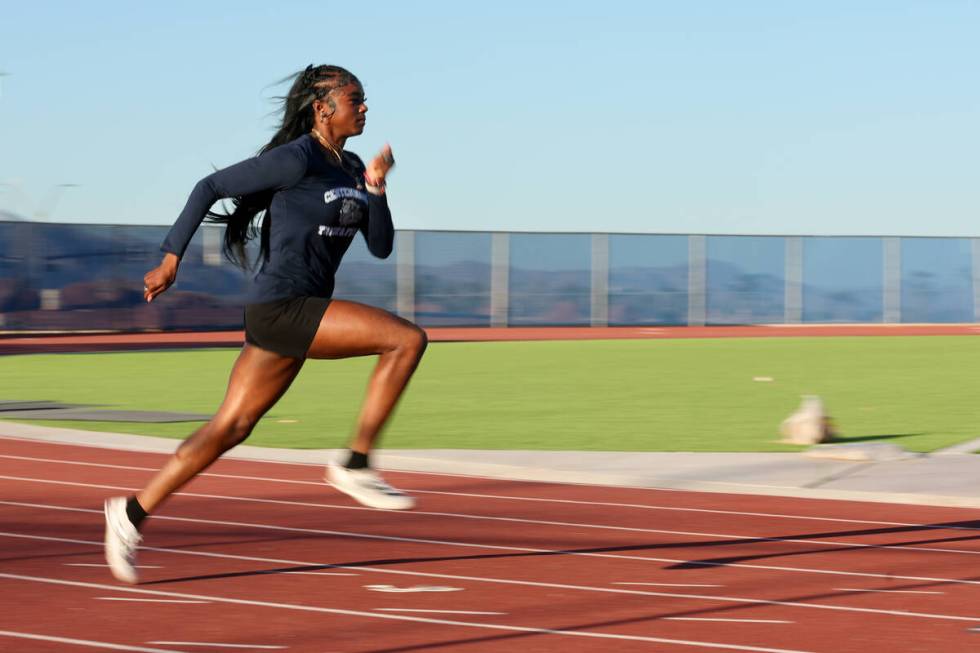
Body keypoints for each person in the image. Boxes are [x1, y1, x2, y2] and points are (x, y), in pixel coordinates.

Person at [103, 64, 428, 584]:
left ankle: (130, 514)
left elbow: (381, 246)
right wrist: (171, 257)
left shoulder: (346, 168)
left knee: (229, 428)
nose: (364, 108)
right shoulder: (295, 159)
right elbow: (209, 186)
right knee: (406, 339)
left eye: (365, 100)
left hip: (296, 312)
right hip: (281, 307)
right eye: (355, 99)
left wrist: (376, 186)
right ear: (324, 108)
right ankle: (356, 463)